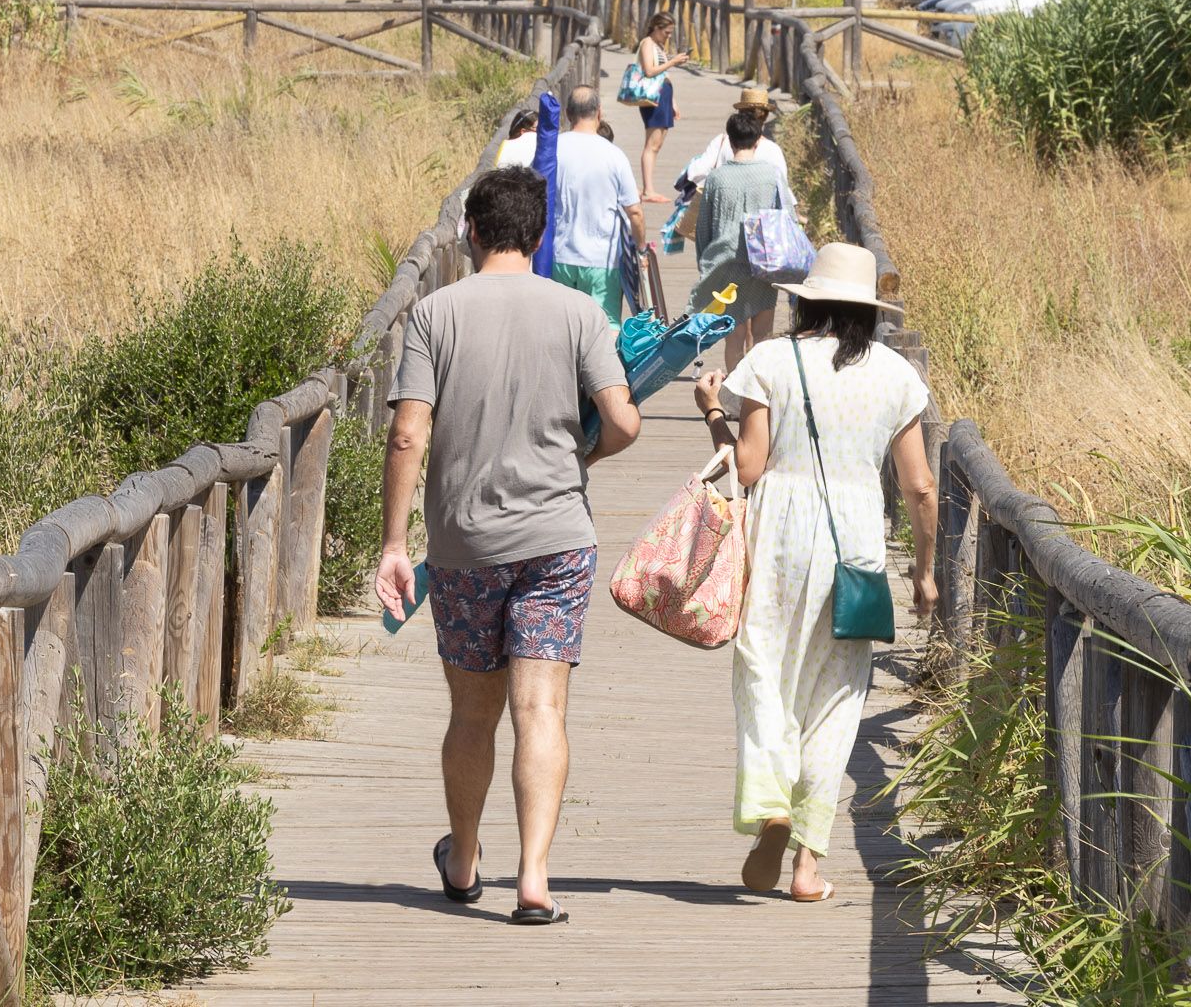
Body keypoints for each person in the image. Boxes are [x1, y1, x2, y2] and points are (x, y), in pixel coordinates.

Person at [377, 165, 641, 925]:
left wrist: (396, 542)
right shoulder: (579, 313)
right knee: (542, 709)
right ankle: (533, 879)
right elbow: (622, 422)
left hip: (463, 545)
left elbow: (407, 432)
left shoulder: (434, 316)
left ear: (471, 232)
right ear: (539, 234)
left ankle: (463, 859)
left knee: (472, 712)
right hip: (558, 541)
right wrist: (579, 460)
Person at [692, 243, 937, 904]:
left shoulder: (772, 359)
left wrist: (714, 412)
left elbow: (746, 468)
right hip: (854, 538)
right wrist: (925, 570)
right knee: (835, 697)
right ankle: (806, 864)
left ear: (806, 299)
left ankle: (771, 802)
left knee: (764, 668)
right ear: (869, 313)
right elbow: (919, 487)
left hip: (778, 530)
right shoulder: (895, 377)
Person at [690, 108, 784, 369]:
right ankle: (759, 398)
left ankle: (733, 399)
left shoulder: (716, 179)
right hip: (763, 263)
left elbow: (703, 228)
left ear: (729, 142)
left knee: (734, 337)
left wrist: (704, 264)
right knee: (763, 336)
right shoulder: (770, 176)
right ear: (758, 140)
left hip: (726, 262)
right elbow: (782, 218)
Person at [547, 87, 642, 321]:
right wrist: (640, 250)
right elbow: (635, 211)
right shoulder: (614, 155)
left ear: (568, 114)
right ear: (599, 113)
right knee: (605, 325)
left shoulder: (552, 149)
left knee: (562, 324)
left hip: (559, 256)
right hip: (602, 259)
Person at [678, 83, 791, 196]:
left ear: (740, 112)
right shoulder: (772, 149)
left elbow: (697, 171)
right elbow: (782, 187)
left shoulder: (721, 141)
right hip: (758, 210)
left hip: (722, 204)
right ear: (765, 116)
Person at [633, 9, 685, 203]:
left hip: (663, 95)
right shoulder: (647, 44)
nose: (668, 36)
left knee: (658, 143)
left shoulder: (658, 45)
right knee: (652, 143)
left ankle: (649, 187)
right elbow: (649, 71)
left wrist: (673, 102)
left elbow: (663, 75)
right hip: (653, 97)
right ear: (656, 28)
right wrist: (673, 61)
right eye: (666, 32)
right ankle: (648, 189)